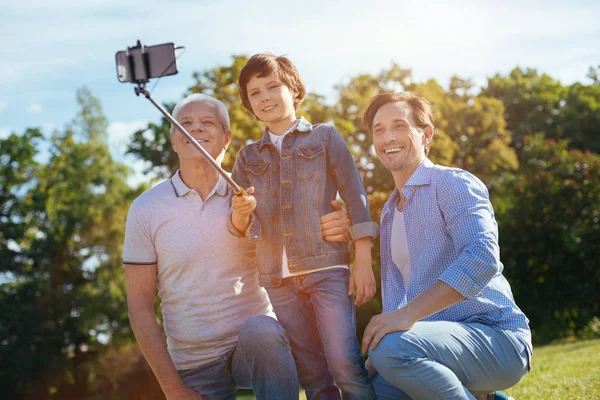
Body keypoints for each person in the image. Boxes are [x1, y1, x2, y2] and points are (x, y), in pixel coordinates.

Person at [122, 93, 351, 400]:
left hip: (257, 346)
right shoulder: (145, 208)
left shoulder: (254, 195)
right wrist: (173, 388)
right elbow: (139, 306)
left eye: (208, 122)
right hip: (193, 363)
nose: (197, 128)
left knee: (263, 330)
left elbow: (308, 225)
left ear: (227, 138)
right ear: (175, 138)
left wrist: (343, 222)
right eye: (186, 123)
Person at [360, 92, 532, 400]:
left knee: (392, 352)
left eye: (399, 126)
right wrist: (382, 342)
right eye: (379, 129)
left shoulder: (453, 183)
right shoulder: (388, 212)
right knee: (374, 390)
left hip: (497, 338)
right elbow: (397, 298)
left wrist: (405, 321)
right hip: (432, 344)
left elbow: (481, 258)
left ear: (426, 134)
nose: (388, 137)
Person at [229, 53, 377, 400]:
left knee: (343, 362)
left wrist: (363, 260)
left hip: (327, 269)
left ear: (294, 89)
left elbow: (356, 198)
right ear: (248, 104)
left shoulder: (325, 138)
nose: (265, 97)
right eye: (255, 93)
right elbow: (238, 225)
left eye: (272, 87)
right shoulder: (246, 157)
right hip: (277, 282)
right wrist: (240, 212)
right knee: (312, 373)